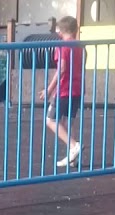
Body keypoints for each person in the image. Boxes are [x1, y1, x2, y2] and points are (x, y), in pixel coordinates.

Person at [40, 16, 83, 168]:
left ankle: (74, 146)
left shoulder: (62, 45)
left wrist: (50, 88)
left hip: (65, 90)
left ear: (60, 31)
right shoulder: (80, 46)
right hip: (77, 89)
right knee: (66, 123)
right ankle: (73, 157)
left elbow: (62, 68)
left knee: (50, 120)